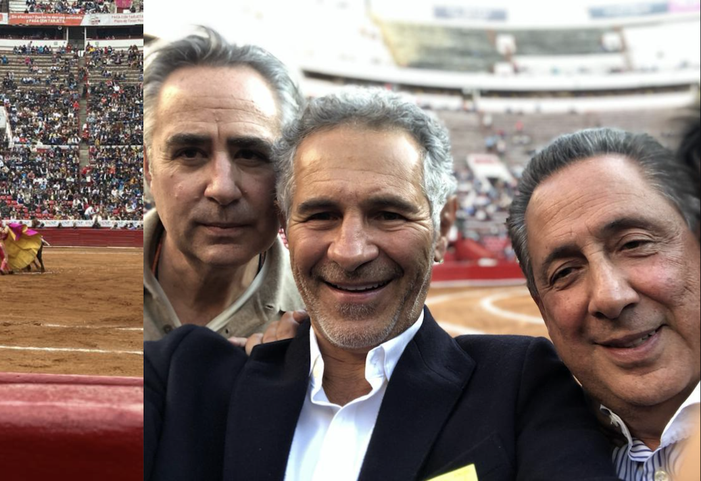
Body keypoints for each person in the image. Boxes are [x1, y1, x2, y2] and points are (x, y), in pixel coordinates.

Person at [144, 89, 620, 480]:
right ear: (286, 226)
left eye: (388, 214)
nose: (350, 251)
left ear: (442, 227)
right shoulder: (187, 376)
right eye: (322, 215)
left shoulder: (521, 384)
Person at [506, 128, 700, 480]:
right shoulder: (515, 450)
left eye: (634, 244)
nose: (610, 296)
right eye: (565, 272)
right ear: (542, 308)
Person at [142, 28, 304, 341]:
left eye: (251, 155)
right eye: (190, 153)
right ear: (149, 169)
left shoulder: (325, 324)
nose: (222, 189)